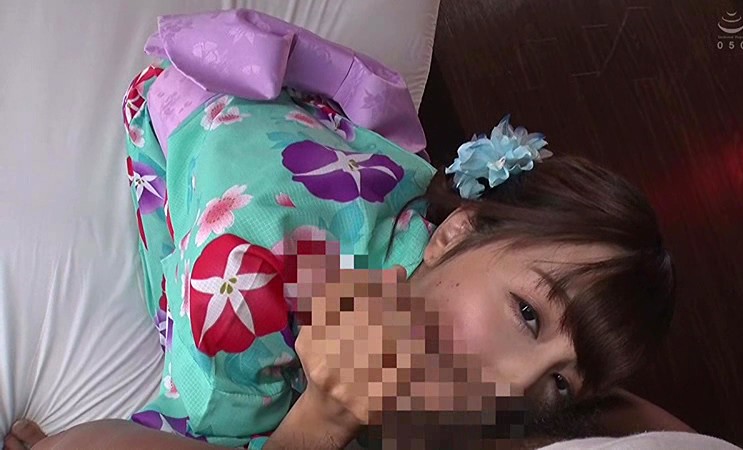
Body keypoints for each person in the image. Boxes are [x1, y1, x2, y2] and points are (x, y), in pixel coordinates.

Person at [3, 9, 677, 450]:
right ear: (455, 230)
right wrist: (321, 417)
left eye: (559, 381)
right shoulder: (249, 282)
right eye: (527, 314)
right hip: (213, 147)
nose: (512, 384)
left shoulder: (455, 294)